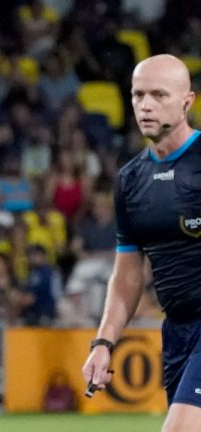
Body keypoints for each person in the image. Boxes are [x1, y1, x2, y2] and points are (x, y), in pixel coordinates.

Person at [82, 54, 199, 432]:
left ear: (188, 101)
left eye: (159, 95)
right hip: (179, 332)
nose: (145, 105)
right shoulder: (131, 180)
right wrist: (104, 341)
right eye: (138, 95)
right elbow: (129, 275)